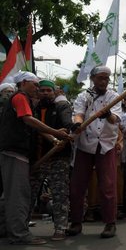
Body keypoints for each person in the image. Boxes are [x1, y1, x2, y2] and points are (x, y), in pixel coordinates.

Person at [0, 72, 71, 245]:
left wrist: (54, 140)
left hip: (32, 156)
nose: (39, 90)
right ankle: (18, 234)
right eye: (37, 86)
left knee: (19, 193)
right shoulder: (20, 98)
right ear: (24, 83)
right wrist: (56, 133)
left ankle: (11, 230)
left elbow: (38, 128)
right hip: (16, 153)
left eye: (46, 89)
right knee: (19, 195)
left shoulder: (54, 106)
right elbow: (30, 121)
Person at [67, 66, 122, 238]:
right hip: (85, 144)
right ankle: (76, 222)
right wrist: (77, 124)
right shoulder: (83, 96)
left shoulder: (114, 96)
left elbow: (116, 119)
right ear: (93, 78)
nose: (104, 81)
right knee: (77, 186)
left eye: (106, 78)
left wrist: (107, 115)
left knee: (107, 186)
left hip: (105, 145)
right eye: (100, 78)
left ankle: (110, 223)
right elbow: (79, 114)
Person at [29, 79, 74, 241]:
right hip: (36, 158)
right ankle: (21, 227)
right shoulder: (32, 108)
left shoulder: (62, 107)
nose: (46, 93)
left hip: (58, 157)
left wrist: (70, 130)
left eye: (49, 90)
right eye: (42, 90)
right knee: (30, 193)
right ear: (38, 92)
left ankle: (60, 228)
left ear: (54, 92)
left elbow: (68, 124)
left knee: (60, 193)